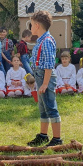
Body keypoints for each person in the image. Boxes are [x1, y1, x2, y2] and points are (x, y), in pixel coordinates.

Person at [28, 10, 62, 147]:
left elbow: (48, 65)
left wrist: (45, 84)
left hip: (45, 78)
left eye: (31, 25)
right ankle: (43, 135)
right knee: (43, 108)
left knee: (50, 107)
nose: (30, 28)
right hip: (40, 77)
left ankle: (57, 139)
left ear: (36, 25)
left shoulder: (47, 41)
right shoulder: (41, 40)